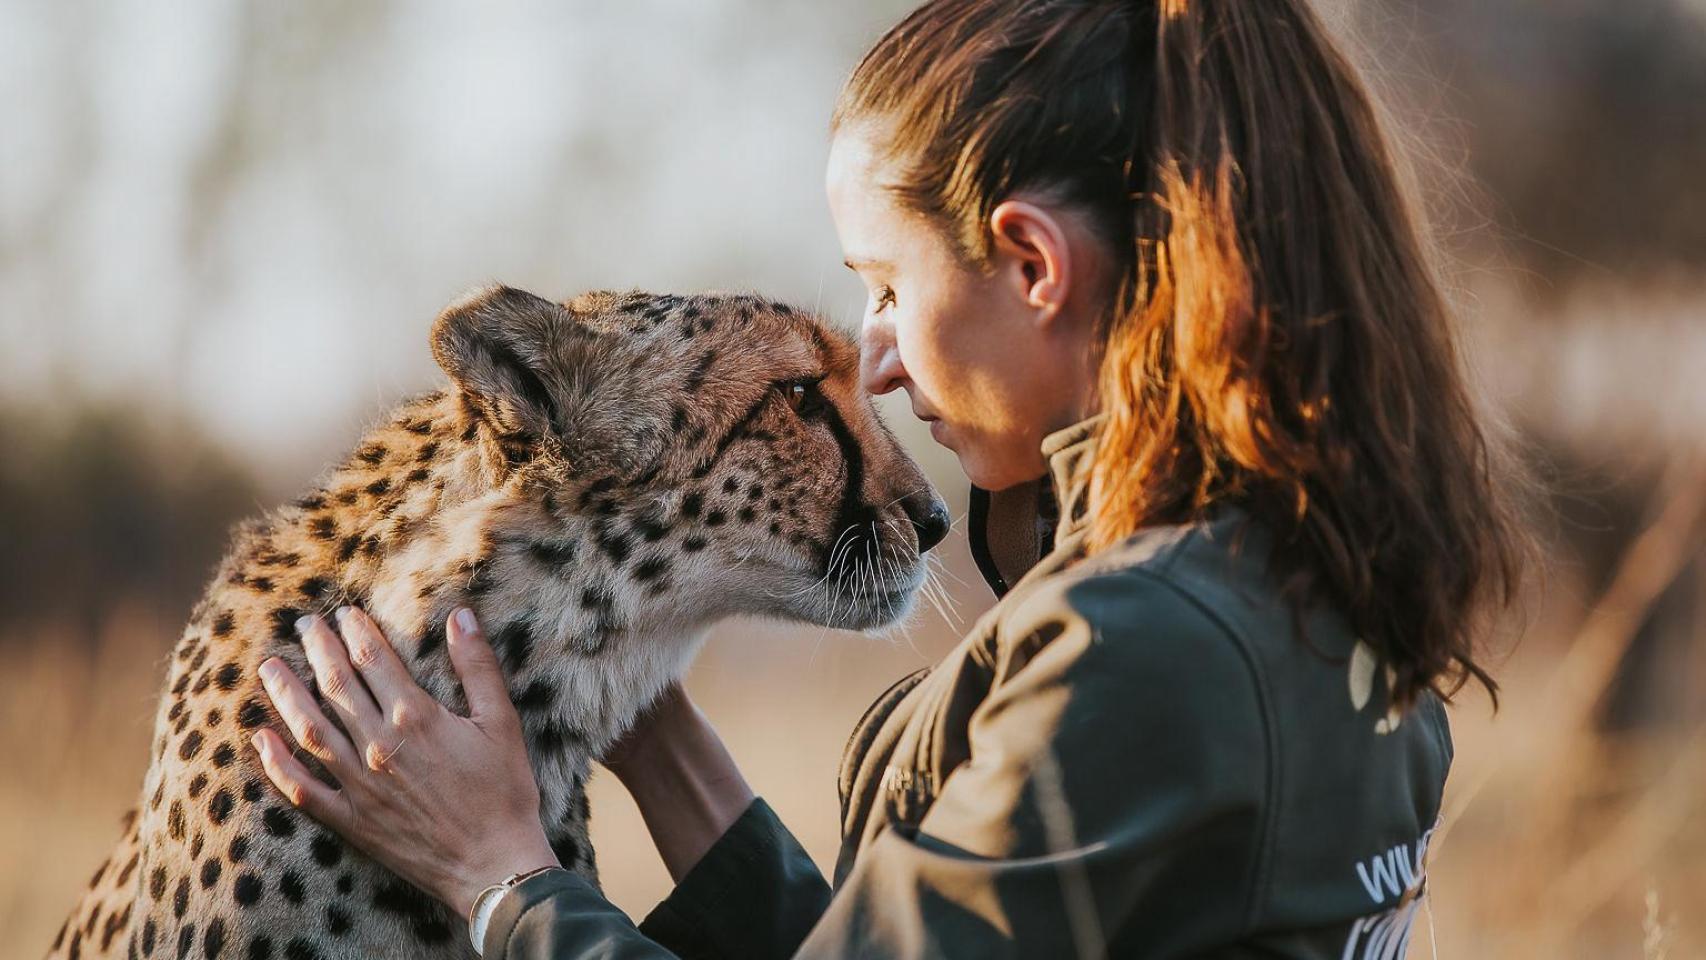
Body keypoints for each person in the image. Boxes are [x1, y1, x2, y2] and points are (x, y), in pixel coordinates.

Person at [250, 0, 1527, 956]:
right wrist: (668, 755)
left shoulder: (1146, 647)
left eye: (883, 290)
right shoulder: (1292, 585)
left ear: (1030, 264)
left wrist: (499, 879)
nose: (881, 364)